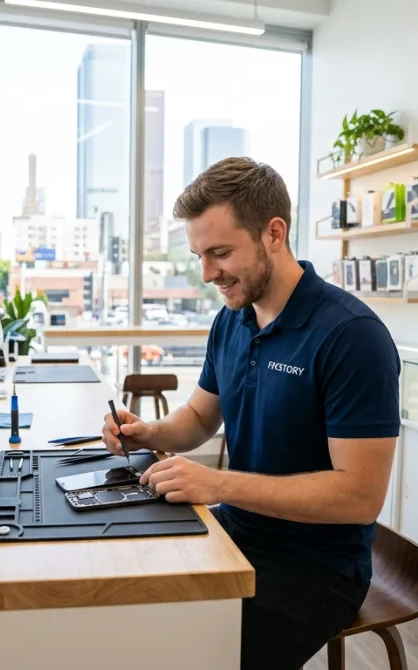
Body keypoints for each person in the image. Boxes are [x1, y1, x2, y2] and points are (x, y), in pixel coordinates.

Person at [102, 157, 400, 670]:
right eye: (199, 255)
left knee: (188, 653)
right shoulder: (232, 320)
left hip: (316, 566)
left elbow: (360, 496)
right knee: (125, 604)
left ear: (274, 233)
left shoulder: (352, 336)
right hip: (236, 532)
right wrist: (148, 430)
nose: (208, 274)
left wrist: (217, 485)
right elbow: (198, 418)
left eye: (220, 253)